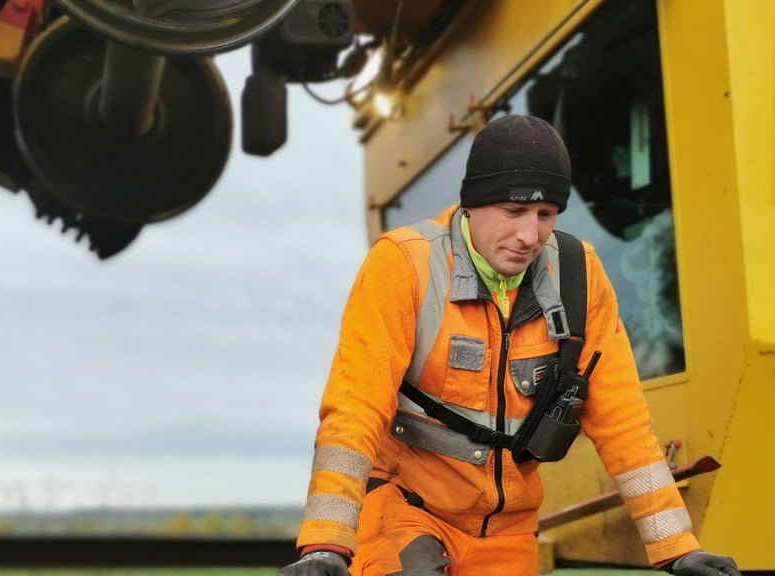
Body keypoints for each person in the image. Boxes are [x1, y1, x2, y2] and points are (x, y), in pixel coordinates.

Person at [279, 115, 741, 576]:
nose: (529, 237)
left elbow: (625, 425)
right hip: (403, 510)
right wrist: (326, 545)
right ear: (472, 204)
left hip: (507, 530)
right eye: (514, 211)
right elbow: (354, 408)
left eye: (545, 216)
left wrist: (680, 550)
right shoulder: (403, 266)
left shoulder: (581, 278)